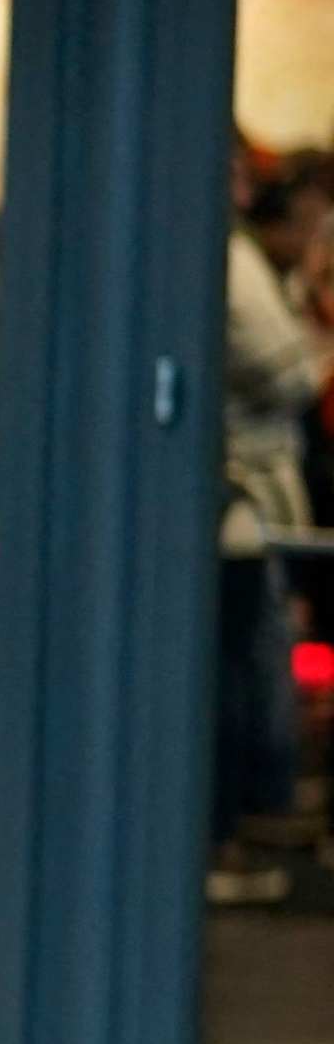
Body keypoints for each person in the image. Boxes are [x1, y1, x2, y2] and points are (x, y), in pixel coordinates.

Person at [213, 150, 327, 905]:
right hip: (236, 498)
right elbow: (289, 372)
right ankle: (226, 829)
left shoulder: (229, 255)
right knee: (239, 671)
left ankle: (237, 822)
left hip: (239, 496)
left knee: (251, 666)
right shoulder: (225, 258)